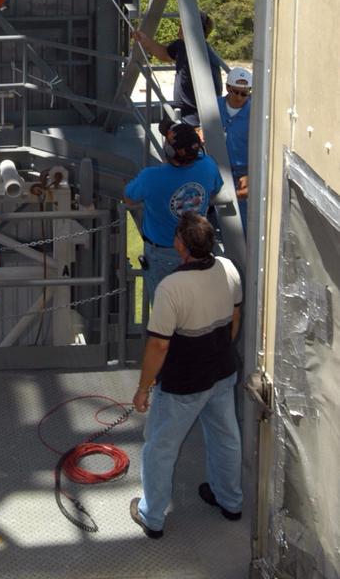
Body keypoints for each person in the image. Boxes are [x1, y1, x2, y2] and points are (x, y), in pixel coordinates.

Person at [129, 211, 243, 539]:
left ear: (180, 244)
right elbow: (234, 318)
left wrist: (143, 388)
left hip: (183, 384)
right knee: (226, 438)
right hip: (222, 372)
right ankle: (230, 501)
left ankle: (153, 517)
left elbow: (158, 347)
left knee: (160, 447)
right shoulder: (228, 268)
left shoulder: (172, 287)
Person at [124, 122, 223, 302]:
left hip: (161, 254)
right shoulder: (208, 166)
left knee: (166, 310)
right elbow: (215, 189)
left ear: (169, 152)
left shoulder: (151, 177)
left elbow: (129, 198)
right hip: (198, 250)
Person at [134, 10, 223, 128]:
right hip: (182, 113)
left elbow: (215, 96)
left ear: (191, 28)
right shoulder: (181, 45)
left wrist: (203, 127)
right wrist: (144, 40)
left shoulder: (206, 58)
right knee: (164, 127)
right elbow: (165, 54)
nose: (179, 26)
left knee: (171, 132)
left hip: (195, 120)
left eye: (183, 23)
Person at [218, 66, 252, 233]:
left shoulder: (256, 113)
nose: (239, 97)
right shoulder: (213, 106)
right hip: (216, 171)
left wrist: (251, 174)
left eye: (244, 93)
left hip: (242, 175)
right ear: (227, 88)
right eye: (235, 92)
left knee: (242, 225)